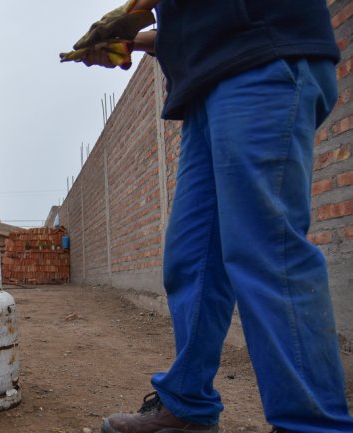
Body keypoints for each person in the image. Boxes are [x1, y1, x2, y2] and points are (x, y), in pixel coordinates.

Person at [76, 1, 353, 432]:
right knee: (191, 262)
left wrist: (132, 12)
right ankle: (188, 405)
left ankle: (312, 424)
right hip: (209, 81)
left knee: (265, 252)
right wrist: (133, 38)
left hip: (262, 53)